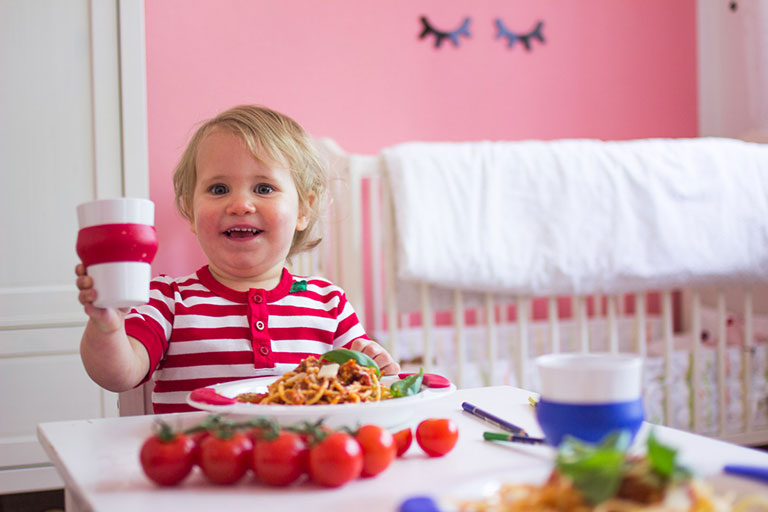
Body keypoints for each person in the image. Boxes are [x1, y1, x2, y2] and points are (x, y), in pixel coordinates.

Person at [76, 105, 399, 413]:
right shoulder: (168, 300)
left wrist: (376, 362)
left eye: (263, 188)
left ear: (303, 209)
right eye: (218, 189)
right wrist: (107, 328)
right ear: (190, 210)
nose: (240, 204)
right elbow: (118, 375)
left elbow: (367, 380)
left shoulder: (330, 303)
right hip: (204, 462)